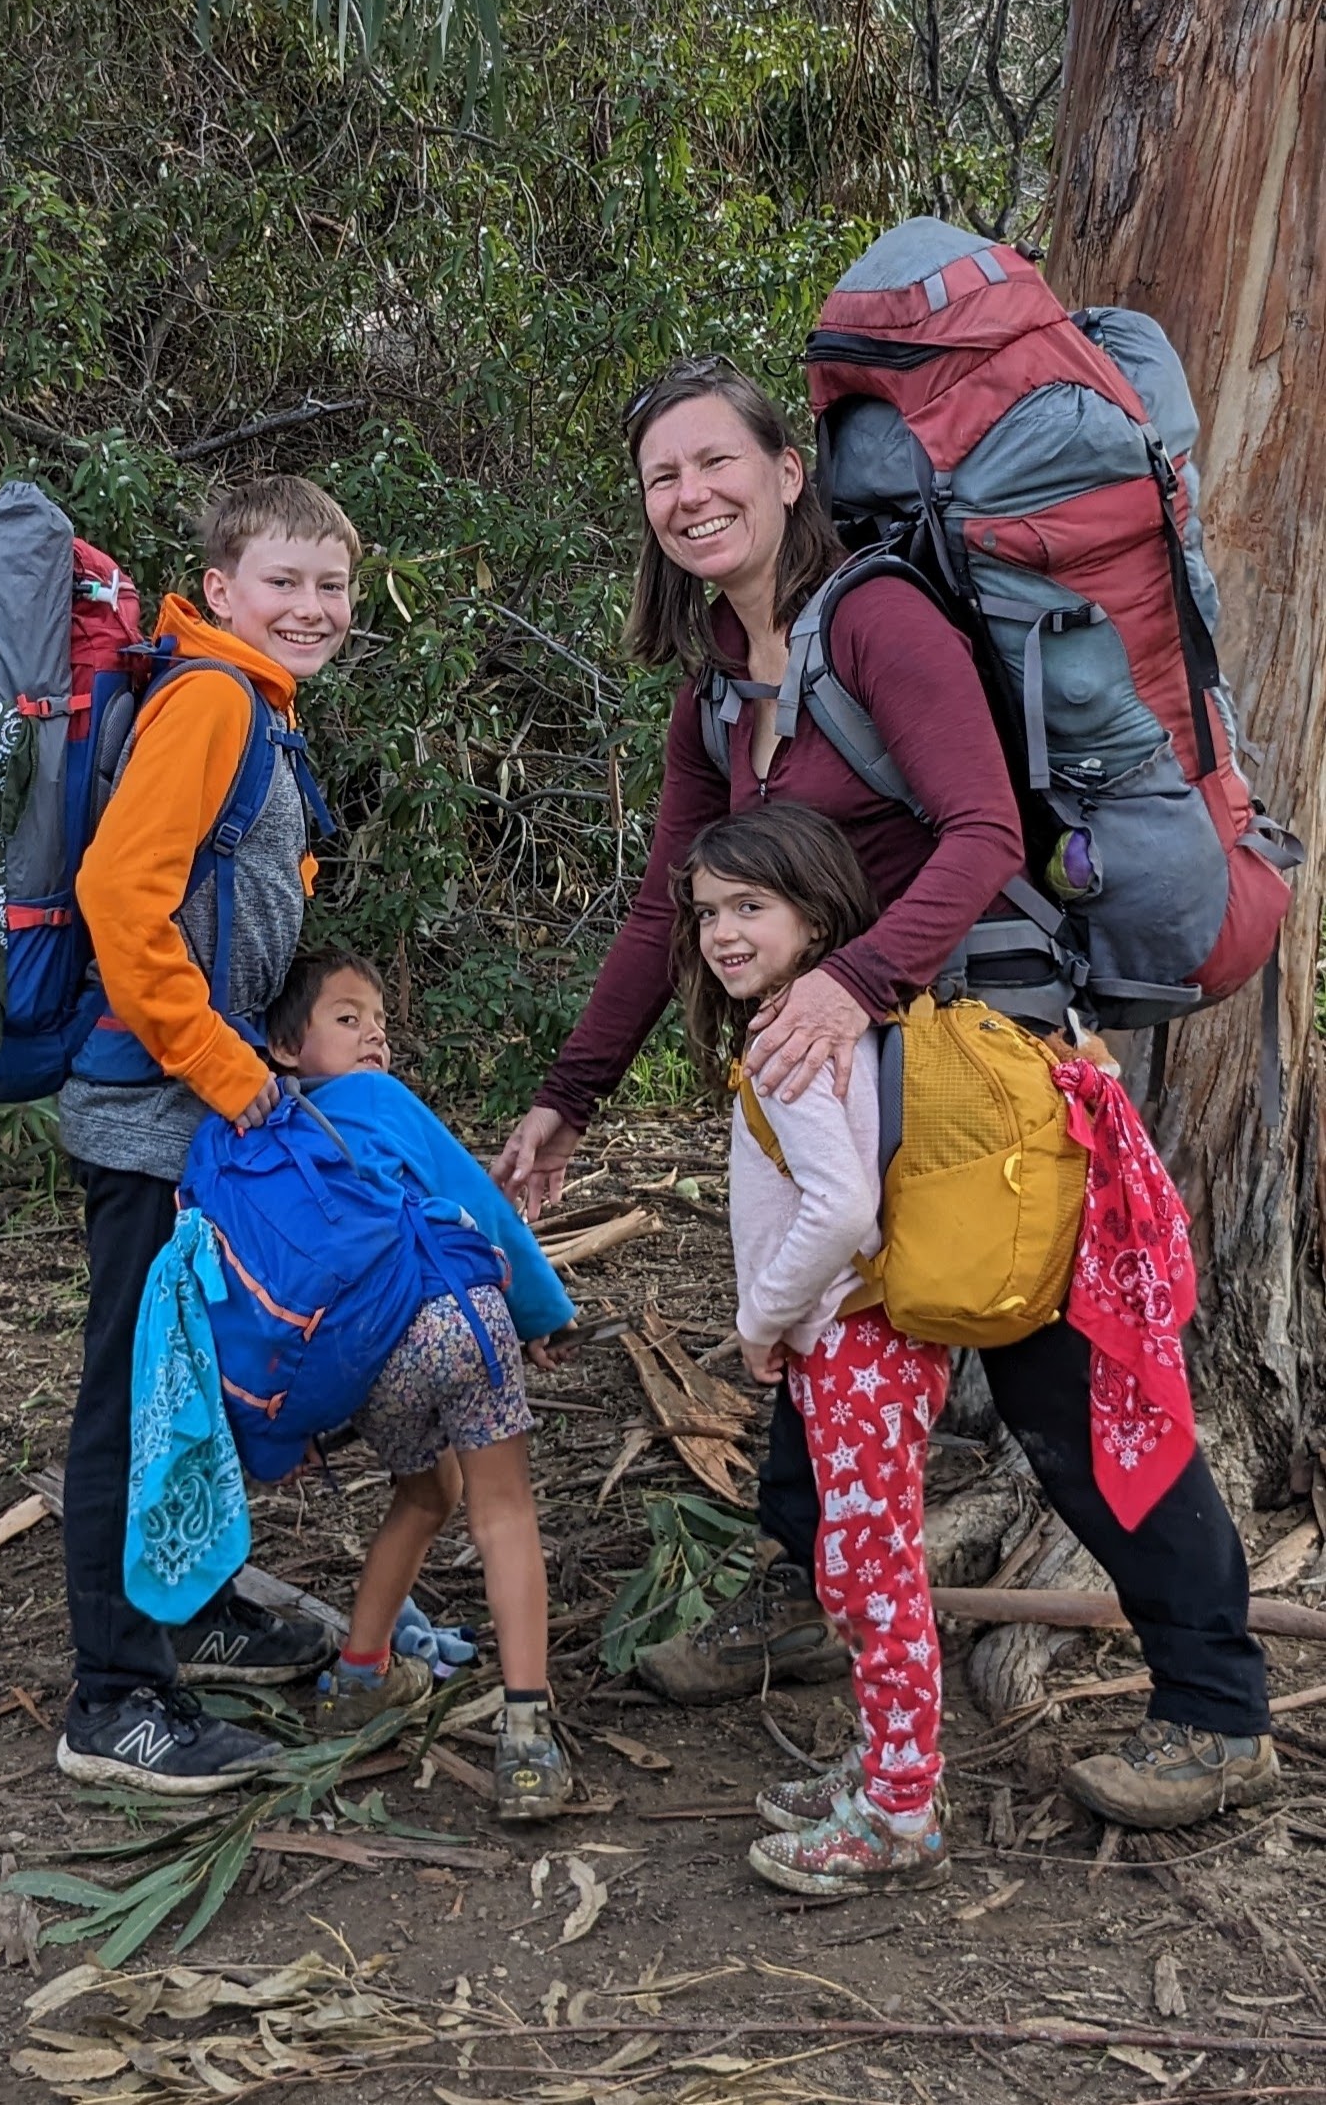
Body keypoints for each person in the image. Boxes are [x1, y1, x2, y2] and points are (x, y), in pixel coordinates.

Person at [493, 358, 1278, 1832]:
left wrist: (848, 984)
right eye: (661, 477)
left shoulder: (879, 620)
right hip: (852, 1095)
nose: (689, 496)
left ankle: (1214, 1708)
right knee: (822, 1344)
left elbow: (982, 829)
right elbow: (670, 912)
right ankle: (816, 1596)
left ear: (788, 472)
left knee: (1070, 1395)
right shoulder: (717, 695)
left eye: (714, 462)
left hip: (978, 1077)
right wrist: (566, 1099)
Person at [55, 477, 356, 1795]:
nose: (311, 607)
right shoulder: (213, 703)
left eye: (332, 586)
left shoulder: (250, 709)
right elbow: (119, 896)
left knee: (200, 1372)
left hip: (192, 1110)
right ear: (219, 590)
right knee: (134, 1397)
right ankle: (114, 1697)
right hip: (150, 1117)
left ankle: (192, 1603)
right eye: (283, 582)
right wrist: (232, 1074)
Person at [675, 803, 951, 1893]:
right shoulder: (844, 1018)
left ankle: (900, 1814)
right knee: (859, 1565)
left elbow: (840, 1212)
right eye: (708, 912)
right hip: (885, 1337)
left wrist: (760, 1323)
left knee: (874, 1576)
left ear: (818, 909)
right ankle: (891, 1768)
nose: (723, 933)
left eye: (752, 906)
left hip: (853, 1337)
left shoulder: (793, 1036)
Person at [261, 948, 577, 1821]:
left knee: (423, 1495)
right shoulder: (382, 1102)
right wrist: (544, 1311)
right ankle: (526, 1738)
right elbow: (477, 1201)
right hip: (454, 1324)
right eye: (348, 1017)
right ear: (286, 1046)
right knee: (502, 1510)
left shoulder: (262, 1140)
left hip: (368, 1363)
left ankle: (359, 1678)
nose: (374, 1037)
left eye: (381, 1025)